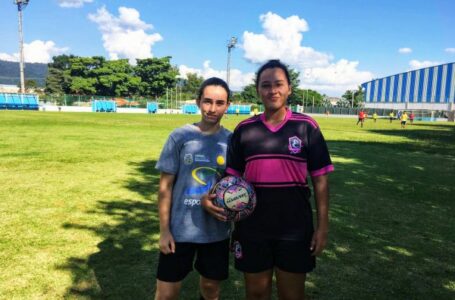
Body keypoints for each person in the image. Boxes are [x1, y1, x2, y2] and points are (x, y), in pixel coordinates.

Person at [215, 60, 333, 299]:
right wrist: (212, 200)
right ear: (258, 90)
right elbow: (230, 180)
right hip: (252, 228)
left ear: (289, 88)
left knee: (292, 296)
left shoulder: (306, 126)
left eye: (279, 84)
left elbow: (320, 181)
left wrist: (322, 227)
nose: (273, 90)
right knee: (256, 295)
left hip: (294, 228)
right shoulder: (244, 130)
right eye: (266, 85)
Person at [154, 77, 232, 300]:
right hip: (179, 231)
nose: (212, 108)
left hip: (215, 232)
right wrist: (164, 230)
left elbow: (235, 186)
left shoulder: (232, 141)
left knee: (210, 290)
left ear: (228, 106)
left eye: (219, 103)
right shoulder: (180, 137)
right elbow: (165, 187)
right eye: (207, 101)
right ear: (198, 102)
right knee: (166, 294)